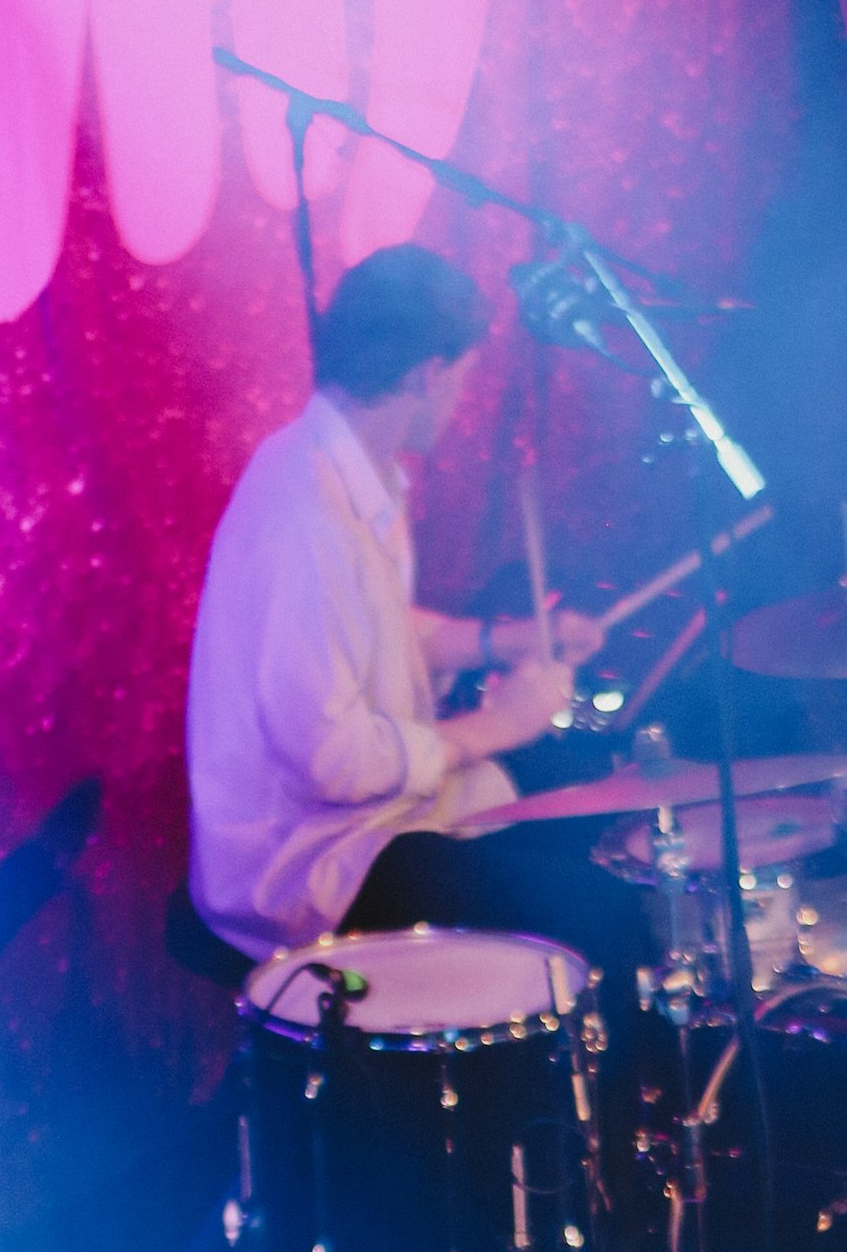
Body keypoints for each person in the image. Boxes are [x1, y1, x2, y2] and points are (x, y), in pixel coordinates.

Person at [186, 242, 604, 962]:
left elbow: (368, 635)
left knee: (590, 810)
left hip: (366, 823)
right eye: (462, 379)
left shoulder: (350, 465)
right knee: (594, 913)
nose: (461, 398)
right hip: (305, 871)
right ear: (428, 374)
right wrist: (493, 727)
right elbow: (331, 760)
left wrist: (507, 642)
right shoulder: (304, 518)